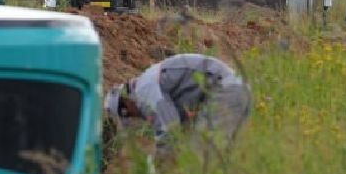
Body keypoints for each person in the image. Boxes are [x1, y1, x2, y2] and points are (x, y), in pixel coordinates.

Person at [104, 53, 250, 146]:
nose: (134, 117)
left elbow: (169, 129)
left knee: (200, 153)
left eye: (127, 114)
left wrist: (156, 168)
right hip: (236, 91)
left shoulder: (144, 89)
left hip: (227, 92)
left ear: (126, 102)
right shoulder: (151, 81)